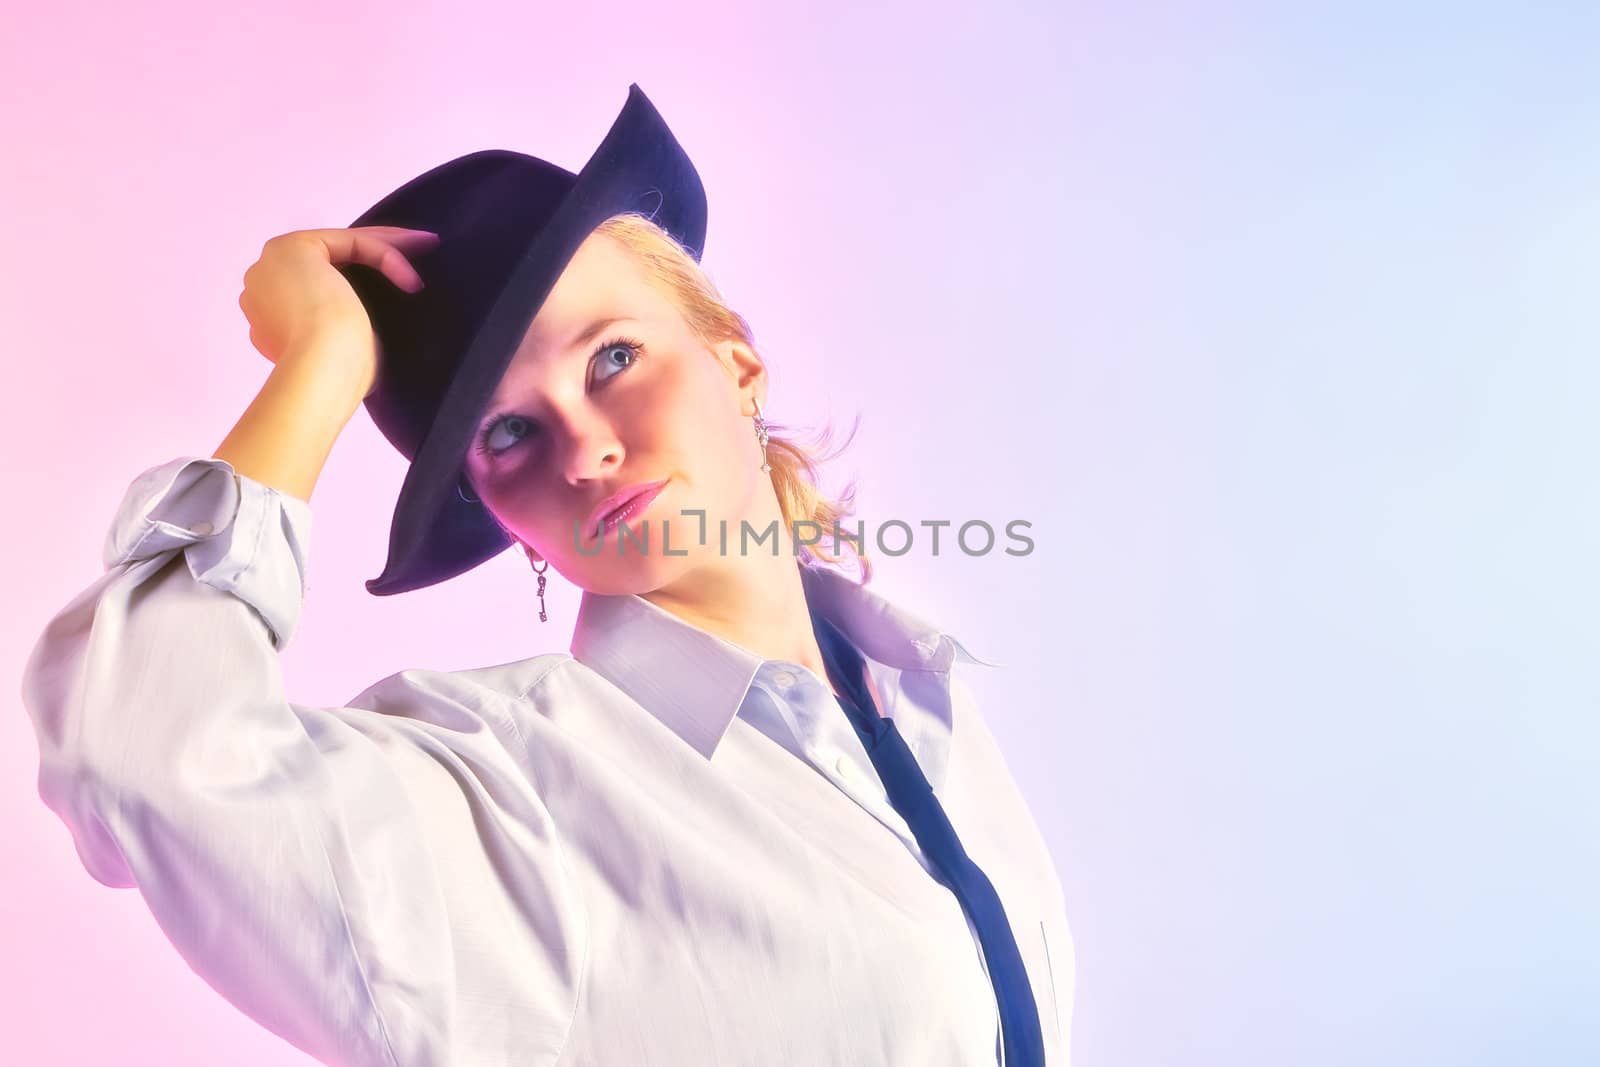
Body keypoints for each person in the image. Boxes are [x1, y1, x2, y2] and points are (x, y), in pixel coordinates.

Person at [21, 85, 1074, 1066]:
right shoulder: (511, 786)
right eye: (511, 431)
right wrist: (322, 365)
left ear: (736, 365)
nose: (582, 448)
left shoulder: (918, 688)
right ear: (513, 526)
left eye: (612, 356)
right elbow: (138, 753)